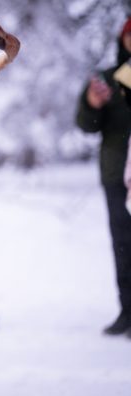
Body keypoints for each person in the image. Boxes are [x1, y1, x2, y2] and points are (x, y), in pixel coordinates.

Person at [76, 17, 131, 336]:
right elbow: (86, 124)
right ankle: (127, 311)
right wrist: (91, 103)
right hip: (117, 176)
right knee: (123, 246)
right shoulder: (109, 80)